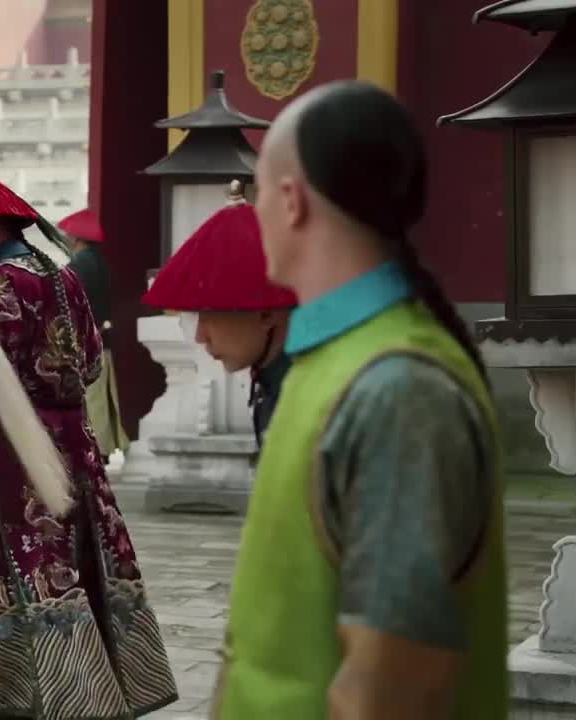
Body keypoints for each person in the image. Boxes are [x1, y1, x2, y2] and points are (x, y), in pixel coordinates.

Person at [211, 81, 508, 719]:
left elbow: (392, 680)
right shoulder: (334, 360)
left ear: (291, 201)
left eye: (258, 192)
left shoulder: (398, 388)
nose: (255, 212)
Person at [0, 158, 177, 720]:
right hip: (73, 446)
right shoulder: (62, 276)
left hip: (18, 455)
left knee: (23, 570)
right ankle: (88, 691)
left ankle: (30, 698)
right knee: (77, 565)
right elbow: (90, 365)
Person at [141, 180, 296, 442]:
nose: (200, 336)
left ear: (266, 314)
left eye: (209, 315)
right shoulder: (273, 383)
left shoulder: (310, 394)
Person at [56, 207, 129, 462]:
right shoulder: (101, 263)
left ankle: (94, 449)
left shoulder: (77, 267)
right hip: (102, 338)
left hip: (82, 341)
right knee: (104, 397)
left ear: (76, 237)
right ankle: (103, 447)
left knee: (89, 398)